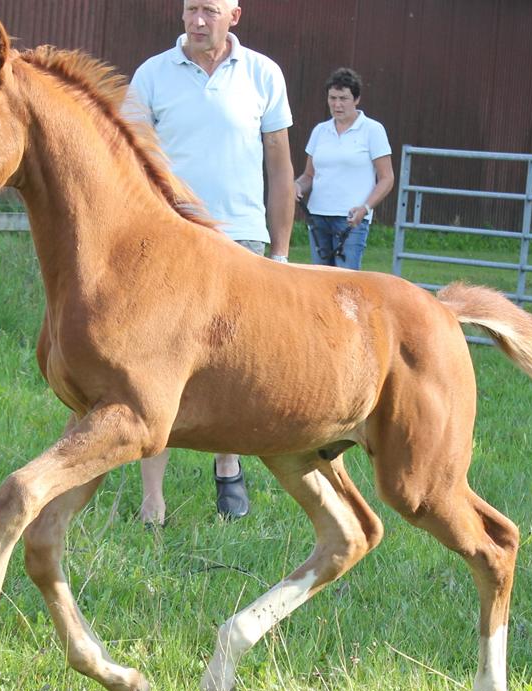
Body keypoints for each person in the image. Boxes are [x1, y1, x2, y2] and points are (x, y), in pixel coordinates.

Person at [126, 0, 294, 523]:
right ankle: (153, 497)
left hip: (238, 239)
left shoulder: (264, 74)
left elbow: (280, 165)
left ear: (234, 16)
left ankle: (228, 467)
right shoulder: (152, 75)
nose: (199, 20)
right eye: (191, 9)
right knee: (152, 367)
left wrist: (281, 251)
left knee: (229, 364)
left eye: (211, 10)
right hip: (167, 241)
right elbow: (126, 160)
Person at [294, 67, 393, 271]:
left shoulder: (373, 130)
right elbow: (309, 175)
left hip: (351, 220)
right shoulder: (320, 131)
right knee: (319, 281)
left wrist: (365, 208)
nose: (337, 104)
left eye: (343, 98)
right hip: (318, 216)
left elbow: (386, 178)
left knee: (346, 283)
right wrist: (296, 186)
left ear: (356, 99)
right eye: (332, 98)